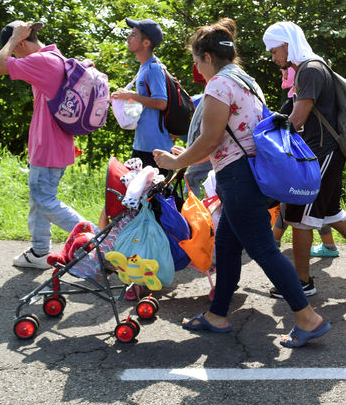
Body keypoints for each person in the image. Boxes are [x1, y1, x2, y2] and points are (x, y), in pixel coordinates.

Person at [153, 18, 329, 347]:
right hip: (248, 173)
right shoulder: (245, 80)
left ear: (206, 57)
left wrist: (177, 161)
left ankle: (308, 318)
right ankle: (217, 315)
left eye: (196, 61)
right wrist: (190, 154)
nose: (196, 68)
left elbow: (210, 140)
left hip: (238, 178)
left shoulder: (218, 85)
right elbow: (229, 140)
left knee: (263, 249)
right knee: (228, 246)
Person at [262, 21, 346, 295]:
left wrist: (268, 136)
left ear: (287, 44)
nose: (273, 57)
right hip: (327, 153)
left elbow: (298, 119)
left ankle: (301, 283)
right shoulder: (312, 67)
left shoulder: (309, 70)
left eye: (274, 51)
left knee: (297, 215)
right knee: (331, 213)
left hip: (319, 154)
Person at [0, 20, 88, 269]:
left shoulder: (42, 61)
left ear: (21, 42)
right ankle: (39, 252)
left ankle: (95, 239)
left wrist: (11, 40)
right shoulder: (54, 57)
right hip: (54, 143)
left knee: (44, 200)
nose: (15, 53)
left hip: (48, 146)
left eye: (15, 47)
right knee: (39, 198)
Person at [271, 65, 339, 258]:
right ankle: (329, 245)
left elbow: (290, 121)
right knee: (318, 206)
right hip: (314, 154)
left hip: (310, 155)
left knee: (298, 203)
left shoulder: (298, 97)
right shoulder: (307, 92)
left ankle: (273, 242)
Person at [111, 18, 173, 174]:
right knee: (140, 195)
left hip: (155, 147)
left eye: (133, 35)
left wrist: (131, 95)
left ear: (146, 43)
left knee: (156, 196)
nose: (128, 38)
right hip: (143, 144)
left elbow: (161, 103)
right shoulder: (144, 68)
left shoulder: (153, 68)